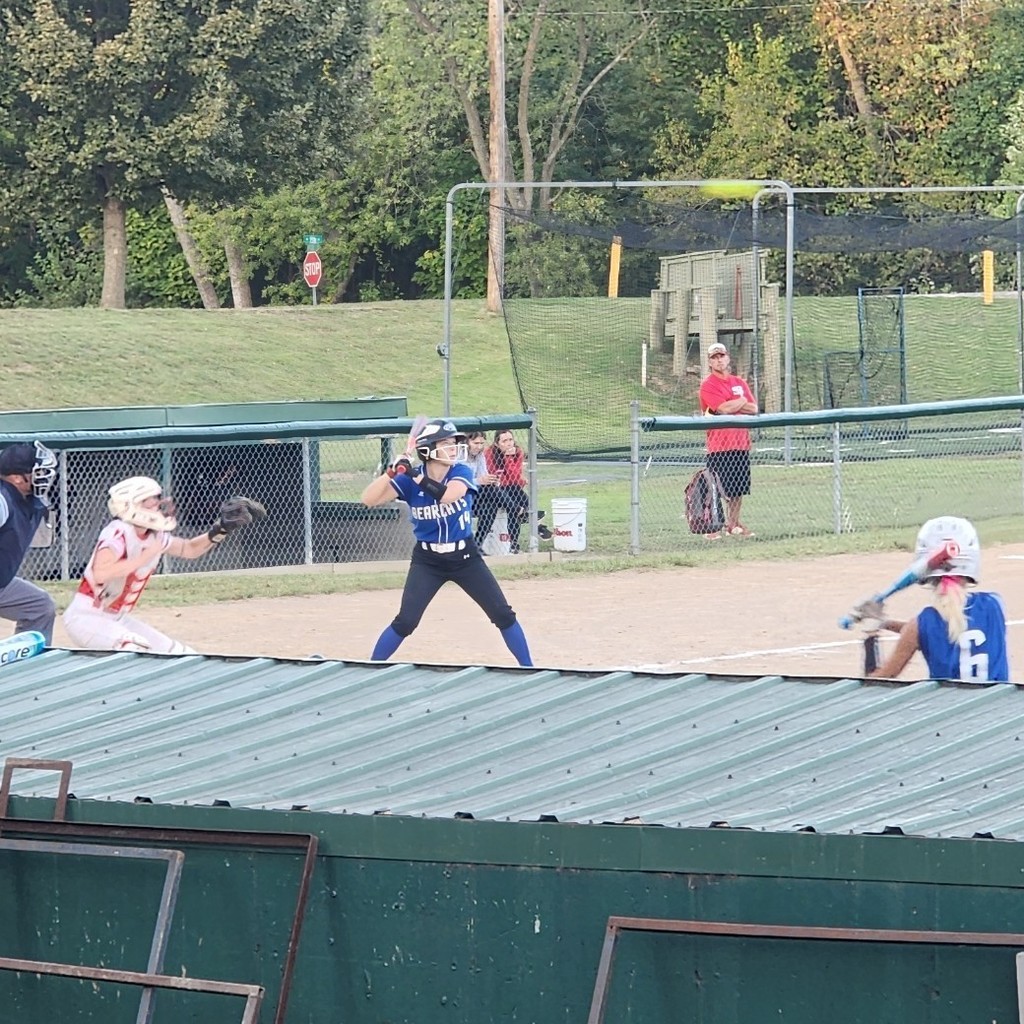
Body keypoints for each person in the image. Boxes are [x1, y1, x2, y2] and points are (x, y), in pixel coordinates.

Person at [361, 418, 534, 666]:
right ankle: (372, 667)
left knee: (502, 614)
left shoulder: (460, 471)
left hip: (465, 558)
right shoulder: (410, 479)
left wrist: (413, 476)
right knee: (406, 621)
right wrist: (392, 472)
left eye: (454, 442)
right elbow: (368, 499)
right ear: (428, 450)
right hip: (427, 561)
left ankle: (530, 667)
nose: (454, 447)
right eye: (446, 443)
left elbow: (448, 495)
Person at [62, 476, 261, 653]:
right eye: (153, 501)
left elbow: (189, 549)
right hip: (87, 618)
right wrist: (147, 554)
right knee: (135, 649)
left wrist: (221, 529)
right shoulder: (118, 531)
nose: (160, 505)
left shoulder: (154, 536)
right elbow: (101, 573)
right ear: (133, 505)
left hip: (116, 618)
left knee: (179, 655)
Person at [863, 516, 1009, 682]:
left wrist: (871, 635)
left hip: (948, 708)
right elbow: (950, 629)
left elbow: (875, 682)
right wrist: (885, 623)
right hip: (999, 706)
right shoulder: (994, 605)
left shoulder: (920, 625)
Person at [0, 441, 59, 644]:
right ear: (16, 478)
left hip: (2, 583)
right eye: (39, 471)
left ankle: (28, 666)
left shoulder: (27, 500)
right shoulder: (2, 499)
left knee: (39, 607)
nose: (47, 476)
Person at [698, 341, 757, 539]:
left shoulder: (739, 383)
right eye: (714, 357)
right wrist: (741, 402)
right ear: (710, 362)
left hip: (740, 442)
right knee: (716, 487)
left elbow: (754, 408)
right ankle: (713, 526)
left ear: (727, 358)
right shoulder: (708, 385)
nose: (719, 360)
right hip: (719, 444)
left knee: (738, 488)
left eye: (721, 356)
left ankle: (733, 523)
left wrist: (737, 404)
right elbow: (721, 409)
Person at [477, 429, 551, 552]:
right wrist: (506, 459)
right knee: (514, 494)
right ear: (496, 443)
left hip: (511, 490)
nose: (509, 443)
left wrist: (509, 458)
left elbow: (514, 477)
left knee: (514, 498)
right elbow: (495, 479)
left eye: (510, 440)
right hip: (493, 491)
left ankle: (515, 542)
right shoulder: (489, 454)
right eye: (504, 441)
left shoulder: (518, 452)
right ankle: (532, 518)